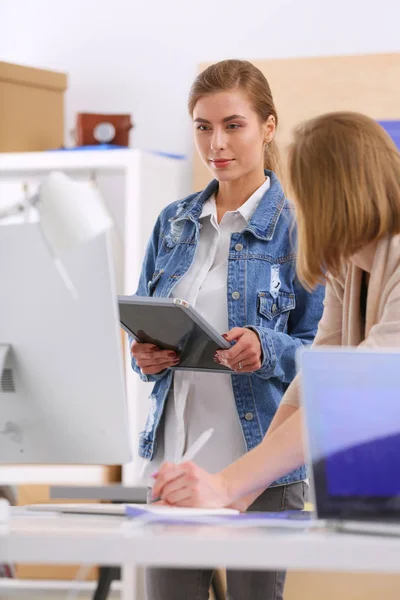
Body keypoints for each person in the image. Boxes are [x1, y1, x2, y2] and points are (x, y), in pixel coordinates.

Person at [131, 59, 324, 600]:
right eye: (202, 126)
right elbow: (144, 330)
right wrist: (144, 355)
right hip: (173, 463)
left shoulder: (302, 225)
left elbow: (328, 358)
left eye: (232, 125)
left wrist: (268, 348)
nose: (216, 142)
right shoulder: (172, 223)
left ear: (267, 126)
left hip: (260, 467)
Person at [152, 111, 400, 514]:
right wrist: (240, 491)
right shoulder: (348, 266)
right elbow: (313, 382)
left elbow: (353, 394)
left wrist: (227, 483)